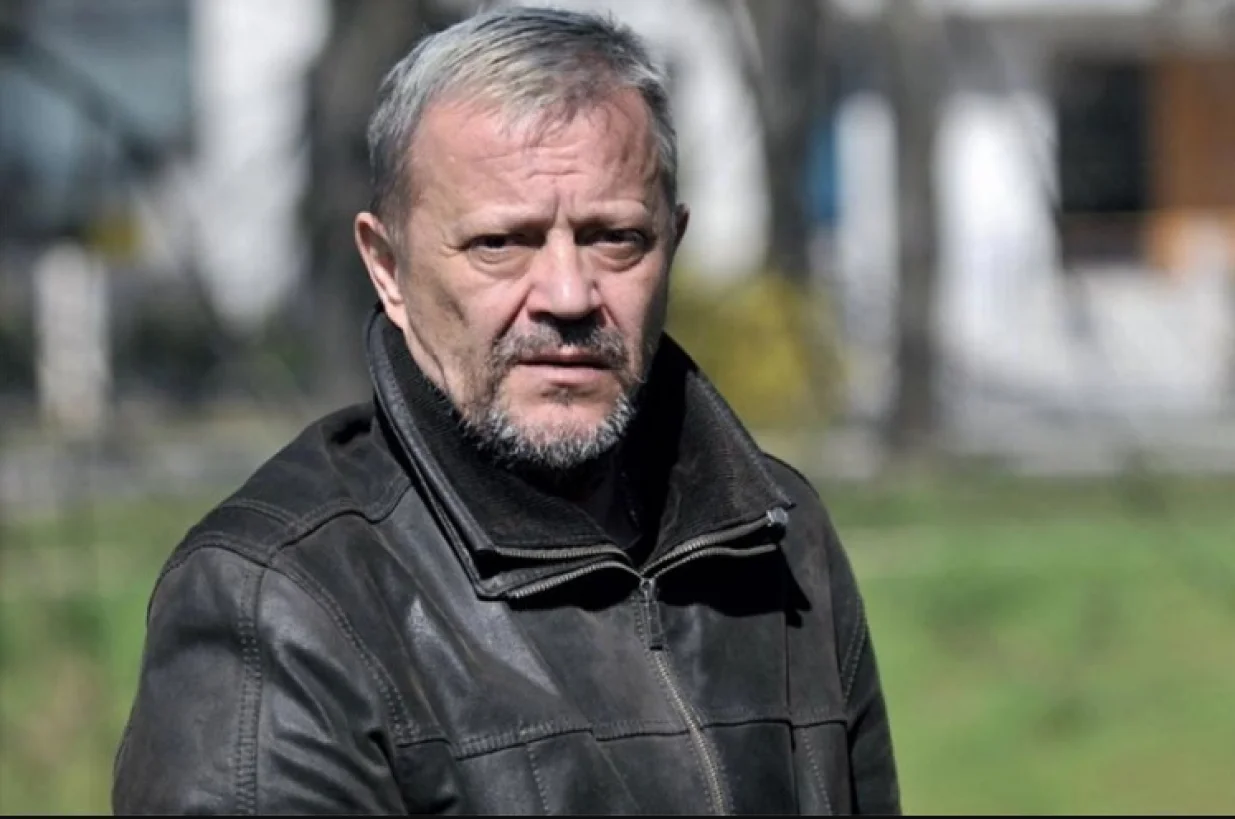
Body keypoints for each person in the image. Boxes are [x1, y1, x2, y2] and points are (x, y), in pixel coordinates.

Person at [112, 6, 901, 815]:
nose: (567, 295)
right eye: (500, 243)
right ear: (387, 267)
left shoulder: (778, 538)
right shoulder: (280, 600)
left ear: (672, 244)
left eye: (614, 237)